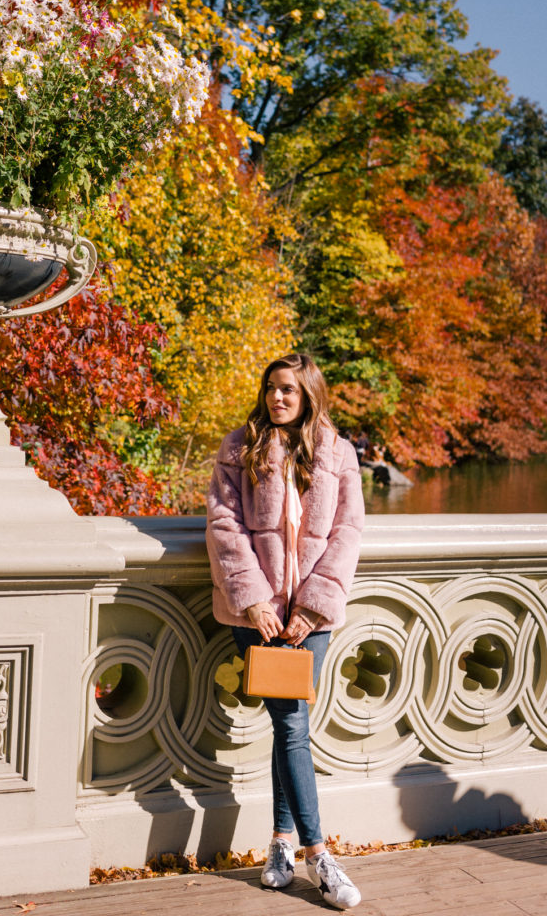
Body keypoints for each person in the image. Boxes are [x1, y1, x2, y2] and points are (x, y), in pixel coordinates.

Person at [206, 353, 364, 910]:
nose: (277, 399)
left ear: (309, 395)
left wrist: (313, 609)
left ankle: (280, 843)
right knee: (292, 723)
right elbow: (223, 526)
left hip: (309, 619)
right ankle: (321, 854)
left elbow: (347, 534)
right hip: (260, 617)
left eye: (289, 391)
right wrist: (252, 601)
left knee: (287, 724)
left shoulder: (338, 455)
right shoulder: (239, 448)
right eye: (272, 389)